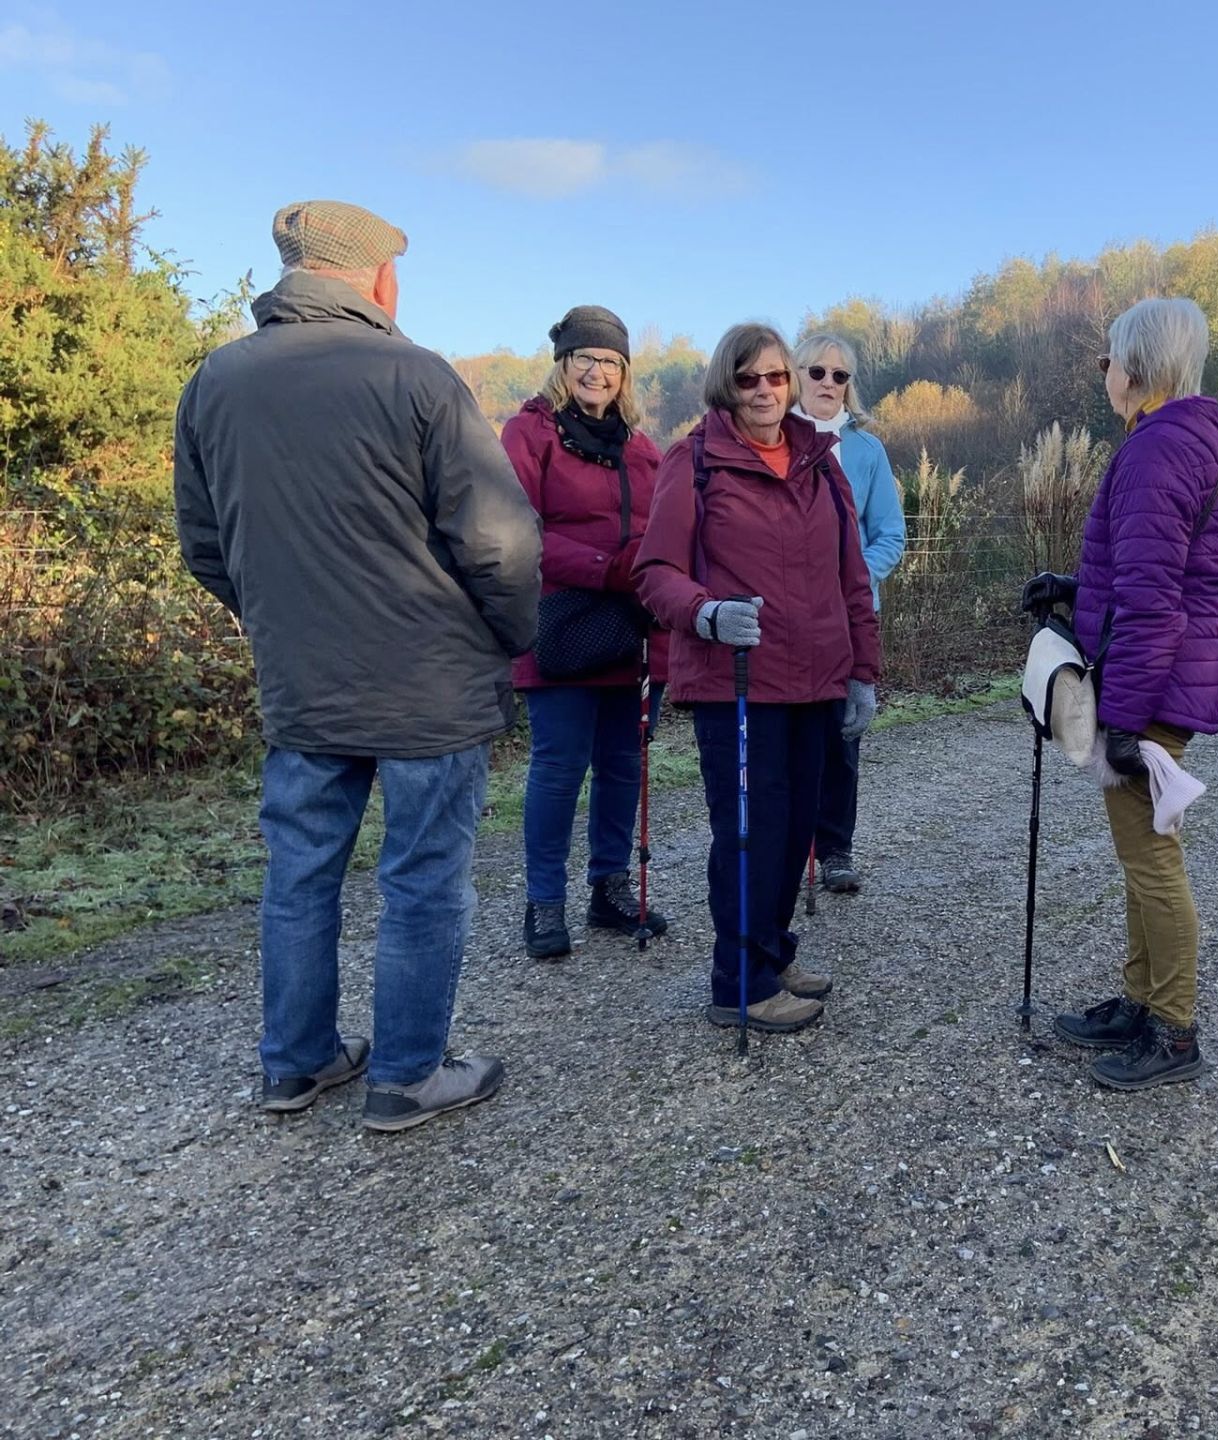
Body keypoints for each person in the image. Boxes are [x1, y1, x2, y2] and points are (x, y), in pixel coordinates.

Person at [173, 201, 541, 1131]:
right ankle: (407, 1076)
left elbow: (205, 545)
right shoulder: (417, 375)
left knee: (300, 875)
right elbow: (500, 542)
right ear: (378, 277)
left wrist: (282, 622)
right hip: (429, 687)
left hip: (303, 684)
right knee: (421, 879)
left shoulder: (215, 382)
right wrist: (510, 636)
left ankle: (296, 1064)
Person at [1021, 297, 1218, 1091]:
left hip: (1148, 686)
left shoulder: (1158, 448)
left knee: (1152, 861)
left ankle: (1174, 1030)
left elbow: (1155, 603)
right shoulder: (1184, 439)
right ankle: (1142, 1000)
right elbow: (1152, 571)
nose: (1106, 373)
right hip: (1158, 675)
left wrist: (1119, 720)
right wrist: (1075, 587)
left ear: (1138, 367)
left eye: (1109, 359)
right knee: (1139, 854)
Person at [634, 323, 879, 1034]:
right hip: (737, 684)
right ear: (727, 385)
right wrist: (705, 613)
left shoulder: (820, 462)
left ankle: (771, 952)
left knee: (796, 830)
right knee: (750, 835)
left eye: (776, 376)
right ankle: (739, 983)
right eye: (749, 379)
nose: (765, 390)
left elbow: (852, 577)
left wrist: (863, 672)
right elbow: (655, 572)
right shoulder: (694, 461)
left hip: (817, 680)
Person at [503, 306, 670, 959]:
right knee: (558, 766)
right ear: (563, 364)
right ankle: (544, 901)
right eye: (585, 358)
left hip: (631, 626)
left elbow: (664, 530)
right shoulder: (529, 434)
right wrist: (607, 567)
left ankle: (610, 887)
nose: (597, 371)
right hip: (560, 624)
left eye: (610, 361)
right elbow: (518, 532)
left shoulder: (643, 449)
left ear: (624, 372)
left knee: (623, 763)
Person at [792, 332, 906, 895]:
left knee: (843, 736)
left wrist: (851, 577)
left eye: (840, 375)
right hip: (785, 616)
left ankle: (836, 848)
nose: (829, 383)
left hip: (848, 615)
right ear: (795, 375)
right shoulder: (772, 439)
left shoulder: (867, 451)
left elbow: (891, 535)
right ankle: (787, 848)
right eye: (817, 372)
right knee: (787, 737)